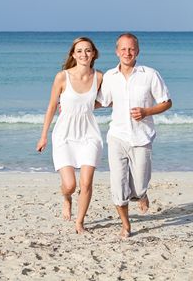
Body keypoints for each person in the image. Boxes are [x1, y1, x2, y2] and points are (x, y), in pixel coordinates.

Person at [97, 32, 172, 238]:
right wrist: (71, 104)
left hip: (142, 137)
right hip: (117, 136)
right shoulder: (110, 77)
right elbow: (102, 102)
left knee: (139, 185)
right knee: (118, 183)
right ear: (116, 51)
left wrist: (147, 112)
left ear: (137, 51)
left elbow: (167, 102)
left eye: (131, 49)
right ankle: (126, 224)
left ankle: (142, 195)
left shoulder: (149, 74)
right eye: (123, 49)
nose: (127, 52)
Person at [36, 37, 103, 234]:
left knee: (86, 182)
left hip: (89, 133)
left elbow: (108, 99)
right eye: (80, 51)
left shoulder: (99, 77)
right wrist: (43, 136)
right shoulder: (62, 77)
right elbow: (50, 107)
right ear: (73, 55)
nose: (84, 54)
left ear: (94, 54)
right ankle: (66, 197)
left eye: (88, 50)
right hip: (64, 134)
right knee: (70, 185)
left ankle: (80, 223)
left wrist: (91, 106)